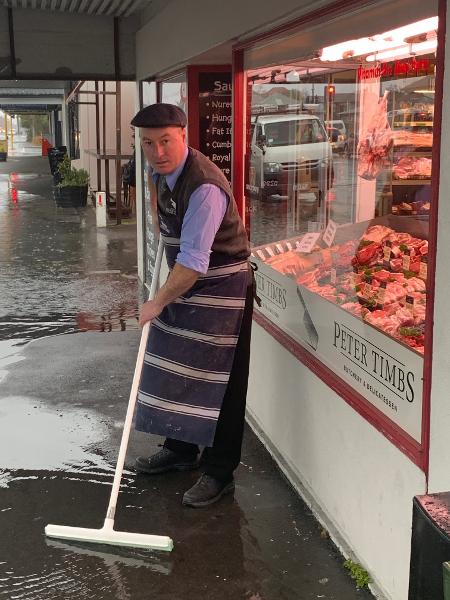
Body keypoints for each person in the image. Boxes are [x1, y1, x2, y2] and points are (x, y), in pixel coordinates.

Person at [130, 103, 254, 508]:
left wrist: (156, 303)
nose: (158, 151)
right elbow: (161, 214)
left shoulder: (204, 188)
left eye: (166, 141)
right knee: (177, 365)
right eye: (149, 143)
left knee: (223, 383)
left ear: (184, 135)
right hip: (185, 281)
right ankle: (181, 451)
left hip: (223, 289)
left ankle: (220, 472)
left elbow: (194, 263)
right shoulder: (157, 172)